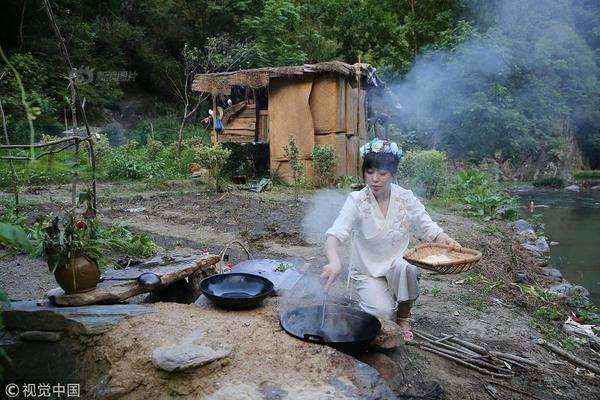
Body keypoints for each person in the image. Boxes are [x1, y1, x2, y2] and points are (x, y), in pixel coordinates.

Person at [321, 138, 461, 341]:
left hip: (397, 266)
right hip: (368, 272)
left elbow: (428, 227)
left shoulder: (405, 198)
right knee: (383, 316)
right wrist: (334, 261)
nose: (375, 179)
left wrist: (446, 239)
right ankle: (386, 303)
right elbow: (335, 234)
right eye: (369, 172)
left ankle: (404, 315)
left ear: (393, 174)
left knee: (407, 267)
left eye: (382, 173)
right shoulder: (357, 201)